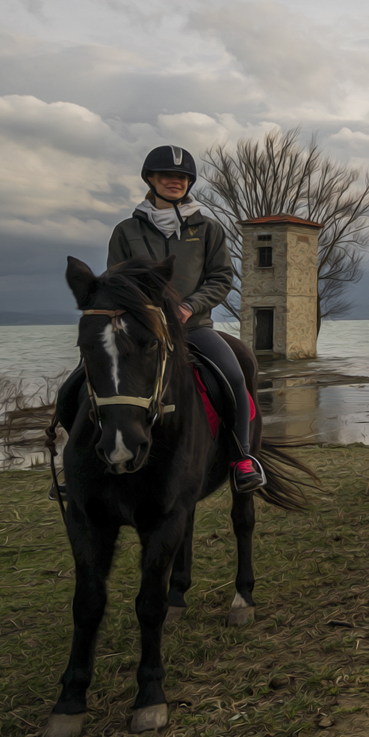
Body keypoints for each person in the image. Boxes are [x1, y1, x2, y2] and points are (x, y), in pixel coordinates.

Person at [51, 145, 265, 496]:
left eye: (181, 177)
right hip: (137, 332)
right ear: (150, 179)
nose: (174, 181)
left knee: (235, 376)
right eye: (166, 176)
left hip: (193, 328)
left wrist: (189, 307)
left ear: (189, 182)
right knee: (73, 389)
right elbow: (113, 282)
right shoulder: (125, 231)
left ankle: (242, 457)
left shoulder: (209, 229)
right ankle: (79, 465)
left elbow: (221, 278)